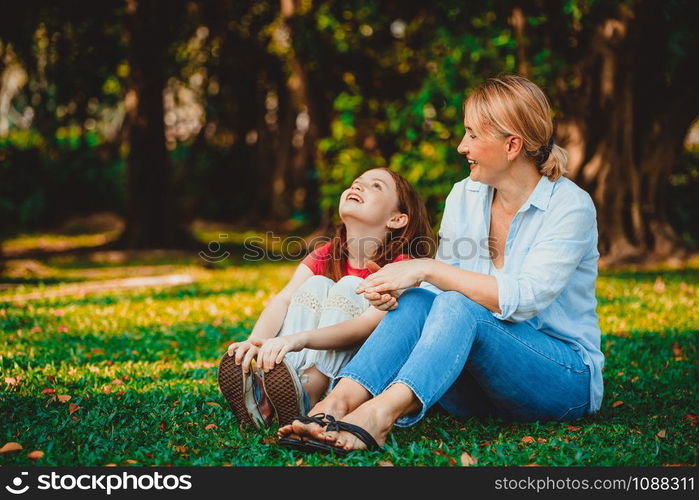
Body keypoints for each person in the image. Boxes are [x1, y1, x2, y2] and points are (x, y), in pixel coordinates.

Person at [278, 75, 605, 453]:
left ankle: (378, 415)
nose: (461, 145)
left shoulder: (569, 206)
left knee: (457, 301)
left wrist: (426, 268)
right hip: (476, 387)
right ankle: (333, 404)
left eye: (472, 135)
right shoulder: (464, 195)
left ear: (511, 145)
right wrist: (401, 291)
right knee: (418, 300)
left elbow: (522, 299)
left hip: (559, 379)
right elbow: (435, 296)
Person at [218, 167, 434, 429]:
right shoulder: (326, 254)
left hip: (357, 377)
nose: (358, 186)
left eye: (376, 185)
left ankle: (310, 390)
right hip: (306, 357)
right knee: (316, 284)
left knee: (350, 285)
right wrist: (257, 342)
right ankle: (279, 389)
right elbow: (284, 299)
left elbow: (367, 326)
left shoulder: (401, 266)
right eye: (356, 182)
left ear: (397, 219)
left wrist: (299, 339)